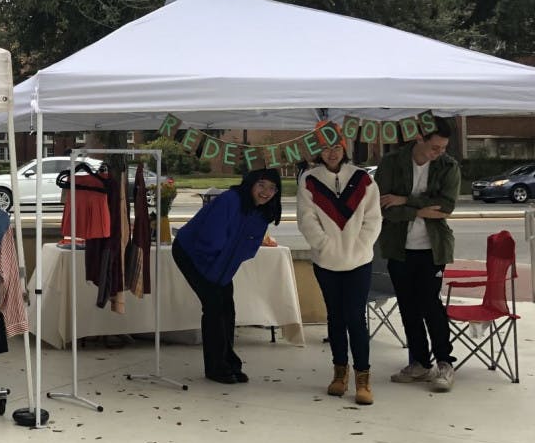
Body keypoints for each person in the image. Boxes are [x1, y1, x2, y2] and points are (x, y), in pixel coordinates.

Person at [296, 122, 382, 405]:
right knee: (334, 317)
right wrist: (326, 246)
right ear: (317, 150)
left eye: (335, 147)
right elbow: (307, 221)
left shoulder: (363, 180)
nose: (331, 153)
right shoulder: (309, 180)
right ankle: (338, 374)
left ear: (344, 147)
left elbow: (373, 219)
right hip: (326, 262)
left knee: (356, 318)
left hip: (359, 261)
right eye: (324, 147)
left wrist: (359, 246)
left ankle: (363, 379)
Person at [171, 168, 282, 384]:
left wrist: (223, 270)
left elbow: (247, 248)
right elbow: (210, 239)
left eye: (272, 188)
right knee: (213, 306)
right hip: (191, 253)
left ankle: (229, 362)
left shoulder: (262, 214)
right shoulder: (230, 200)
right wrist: (214, 273)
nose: (266, 192)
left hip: (221, 263)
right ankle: (216, 368)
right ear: (250, 183)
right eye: (261, 185)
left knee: (227, 307)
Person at [375, 116, 461, 393]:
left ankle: (444, 362)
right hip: (398, 247)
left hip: (433, 248)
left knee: (430, 304)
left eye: (443, 147)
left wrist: (405, 200)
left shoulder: (448, 166)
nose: (440, 153)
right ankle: (420, 363)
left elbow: (446, 208)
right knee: (408, 306)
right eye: (435, 147)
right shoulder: (391, 163)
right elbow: (382, 205)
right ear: (419, 138)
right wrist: (420, 210)